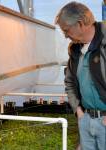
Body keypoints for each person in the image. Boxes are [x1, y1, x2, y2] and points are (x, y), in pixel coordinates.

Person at [55, 1, 106, 150]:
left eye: (66, 30)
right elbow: (69, 82)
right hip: (86, 119)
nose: (65, 36)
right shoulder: (75, 51)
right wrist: (78, 111)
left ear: (81, 23)